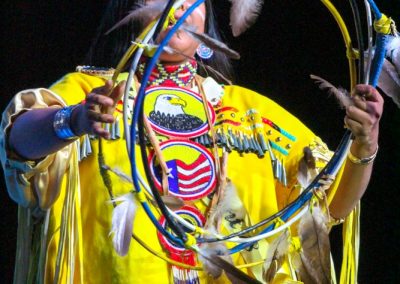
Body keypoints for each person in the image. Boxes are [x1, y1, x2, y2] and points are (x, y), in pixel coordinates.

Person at [0, 0, 383, 283]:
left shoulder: (253, 115)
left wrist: (364, 149)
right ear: (126, 15)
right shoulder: (92, 92)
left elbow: (327, 206)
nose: (176, 5)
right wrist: (73, 120)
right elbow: (18, 142)